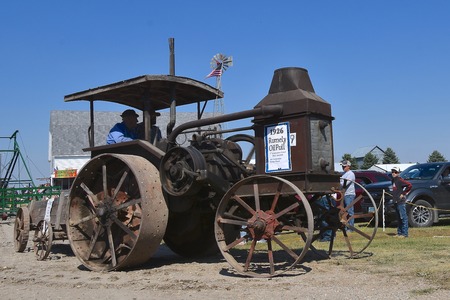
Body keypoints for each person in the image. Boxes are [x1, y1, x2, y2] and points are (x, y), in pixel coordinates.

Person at [391, 166, 412, 238]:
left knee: (403, 217)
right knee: (398, 218)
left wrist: (403, 193)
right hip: (395, 201)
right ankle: (399, 233)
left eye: (395, 172)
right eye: (392, 172)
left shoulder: (400, 180)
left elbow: (409, 185)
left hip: (401, 201)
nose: (393, 173)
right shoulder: (393, 180)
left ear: (398, 173)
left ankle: (405, 233)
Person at [340, 160, 356, 232]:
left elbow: (344, 184)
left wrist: (340, 183)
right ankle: (346, 226)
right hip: (344, 194)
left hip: (349, 194)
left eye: (344, 166)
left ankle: (351, 227)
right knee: (344, 211)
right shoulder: (344, 174)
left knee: (350, 211)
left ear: (348, 166)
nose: (343, 167)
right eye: (342, 166)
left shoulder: (351, 174)